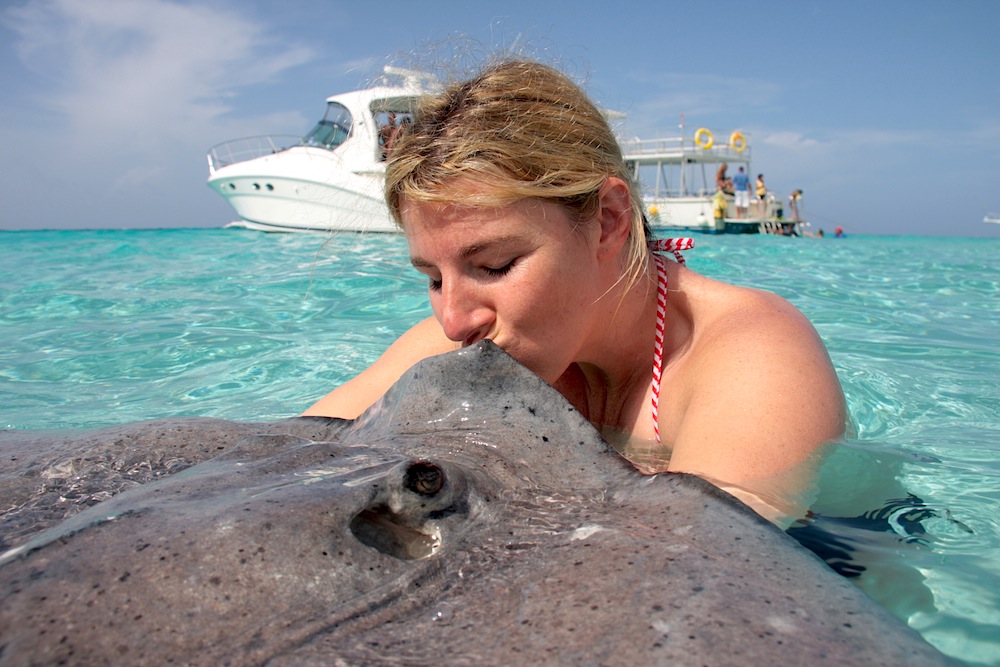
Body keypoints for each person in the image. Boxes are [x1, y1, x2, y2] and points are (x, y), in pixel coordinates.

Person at [304, 60, 845, 523]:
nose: (454, 321)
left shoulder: (750, 354)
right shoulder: (477, 337)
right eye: (434, 279)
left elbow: (703, 567)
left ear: (608, 221)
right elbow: (283, 463)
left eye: (494, 265)